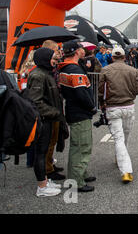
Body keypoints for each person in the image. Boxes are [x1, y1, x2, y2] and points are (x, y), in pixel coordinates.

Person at [58, 40, 97, 192]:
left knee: (78, 145)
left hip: (73, 110)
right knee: (81, 147)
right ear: (76, 51)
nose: (83, 49)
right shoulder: (74, 69)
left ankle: (81, 173)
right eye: (81, 48)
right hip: (80, 112)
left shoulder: (65, 68)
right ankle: (76, 181)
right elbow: (81, 93)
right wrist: (92, 107)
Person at [98, 47, 138, 184]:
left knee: (119, 138)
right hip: (128, 106)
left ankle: (126, 170)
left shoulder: (105, 70)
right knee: (125, 137)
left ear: (112, 57)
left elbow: (100, 90)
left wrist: (102, 104)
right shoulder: (133, 70)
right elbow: (137, 90)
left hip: (113, 106)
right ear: (124, 57)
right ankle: (122, 162)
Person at [27, 47, 64, 197]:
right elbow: (35, 101)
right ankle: (41, 186)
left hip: (48, 119)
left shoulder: (45, 73)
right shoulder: (38, 75)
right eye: (52, 58)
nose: (55, 61)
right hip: (43, 120)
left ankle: (45, 180)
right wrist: (54, 112)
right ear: (44, 58)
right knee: (40, 153)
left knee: (43, 152)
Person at [41, 39, 66, 181]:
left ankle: (49, 164)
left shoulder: (54, 68)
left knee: (54, 139)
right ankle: (47, 170)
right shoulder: (42, 71)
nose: (59, 52)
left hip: (56, 107)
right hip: (49, 111)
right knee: (49, 141)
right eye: (56, 49)